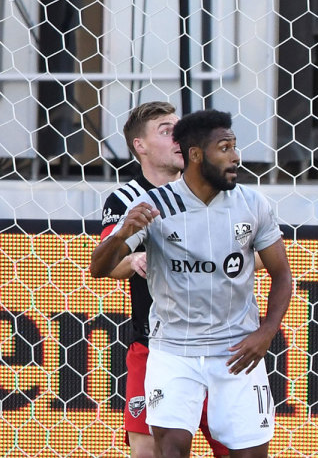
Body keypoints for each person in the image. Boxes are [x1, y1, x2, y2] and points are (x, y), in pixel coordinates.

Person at [89, 110, 294, 458]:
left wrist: (267, 331)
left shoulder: (252, 203)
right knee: (169, 449)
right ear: (196, 154)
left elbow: (282, 274)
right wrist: (124, 233)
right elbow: (98, 268)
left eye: (235, 146)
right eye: (225, 148)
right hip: (173, 351)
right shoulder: (154, 205)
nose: (235, 156)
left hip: (235, 352)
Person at [93, 101, 228, 458]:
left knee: (235, 447)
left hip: (217, 346)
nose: (178, 138)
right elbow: (108, 261)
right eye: (167, 131)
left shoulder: (214, 192)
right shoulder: (125, 199)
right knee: (147, 448)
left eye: (180, 129)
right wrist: (137, 256)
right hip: (155, 345)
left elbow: (261, 255)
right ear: (140, 146)